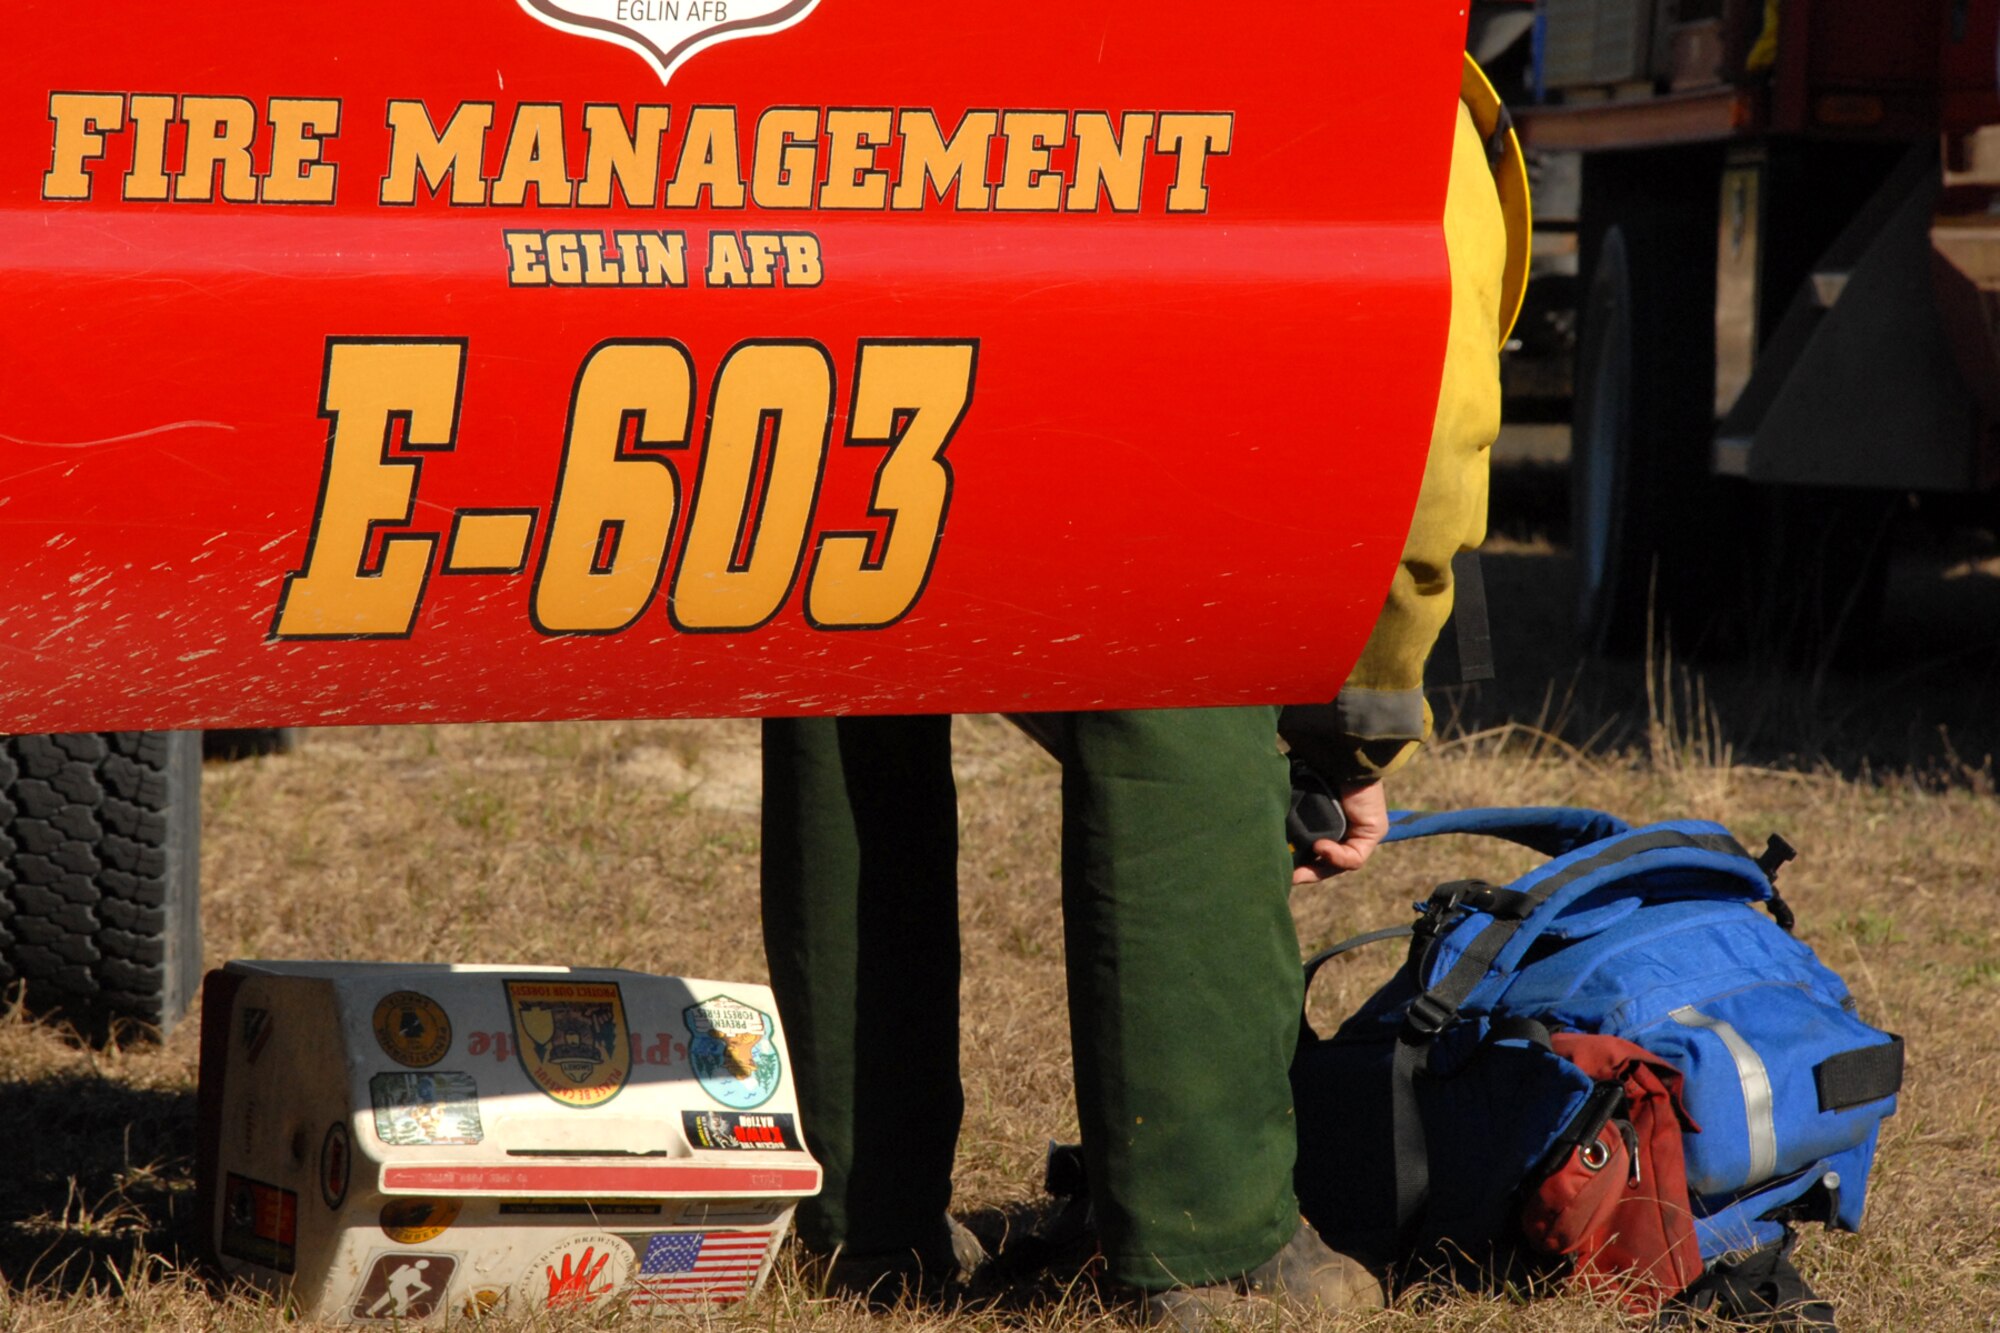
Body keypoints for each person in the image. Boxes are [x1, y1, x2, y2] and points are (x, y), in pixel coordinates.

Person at [758, 60, 1519, 1327]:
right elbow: (1431, 430)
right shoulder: (1360, 56)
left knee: (847, 660)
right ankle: (1209, 1240)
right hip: (1147, 478)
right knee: (1190, 649)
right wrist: (1358, 721)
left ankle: (864, 1222)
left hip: (864, 424)